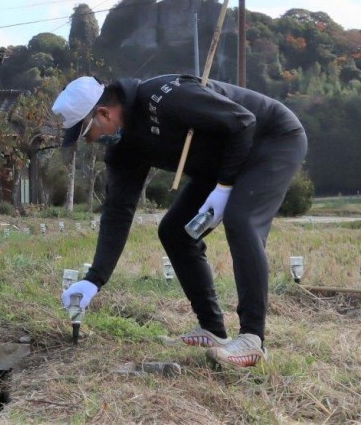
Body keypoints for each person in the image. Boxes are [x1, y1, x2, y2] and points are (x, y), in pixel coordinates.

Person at [55, 74, 307, 368]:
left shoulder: (166, 97)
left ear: (103, 113)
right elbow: (118, 212)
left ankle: (252, 340)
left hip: (270, 139)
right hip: (220, 162)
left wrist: (225, 188)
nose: (91, 141)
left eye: (87, 133)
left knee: (241, 220)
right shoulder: (124, 148)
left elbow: (243, 121)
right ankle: (212, 329)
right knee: (175, 232)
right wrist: (94, 280)